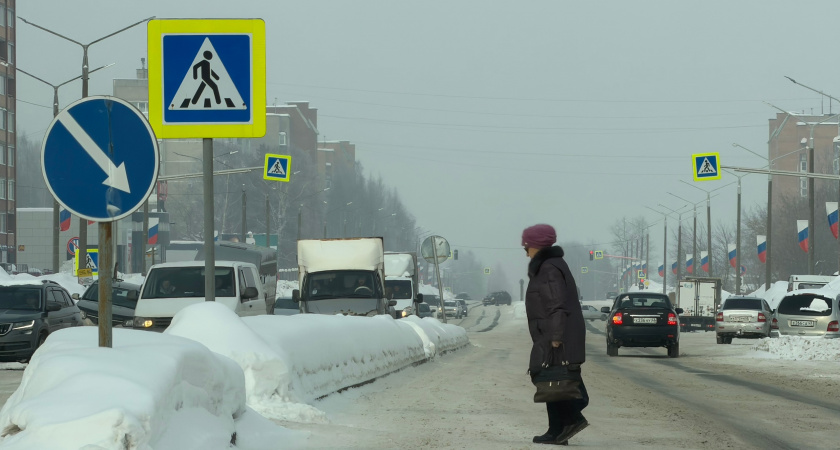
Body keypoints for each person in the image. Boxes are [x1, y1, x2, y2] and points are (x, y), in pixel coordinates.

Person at [522, 224, 588, 445]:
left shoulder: (549, 268)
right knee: (553, 380)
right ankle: (556, 430)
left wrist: (556, 336)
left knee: (554, 379)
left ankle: (571, 420)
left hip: (555, 334)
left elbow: (556, 305)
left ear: (536, 245)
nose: (524, 249)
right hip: (550, 333)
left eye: (527, 244)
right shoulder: (549, 266)